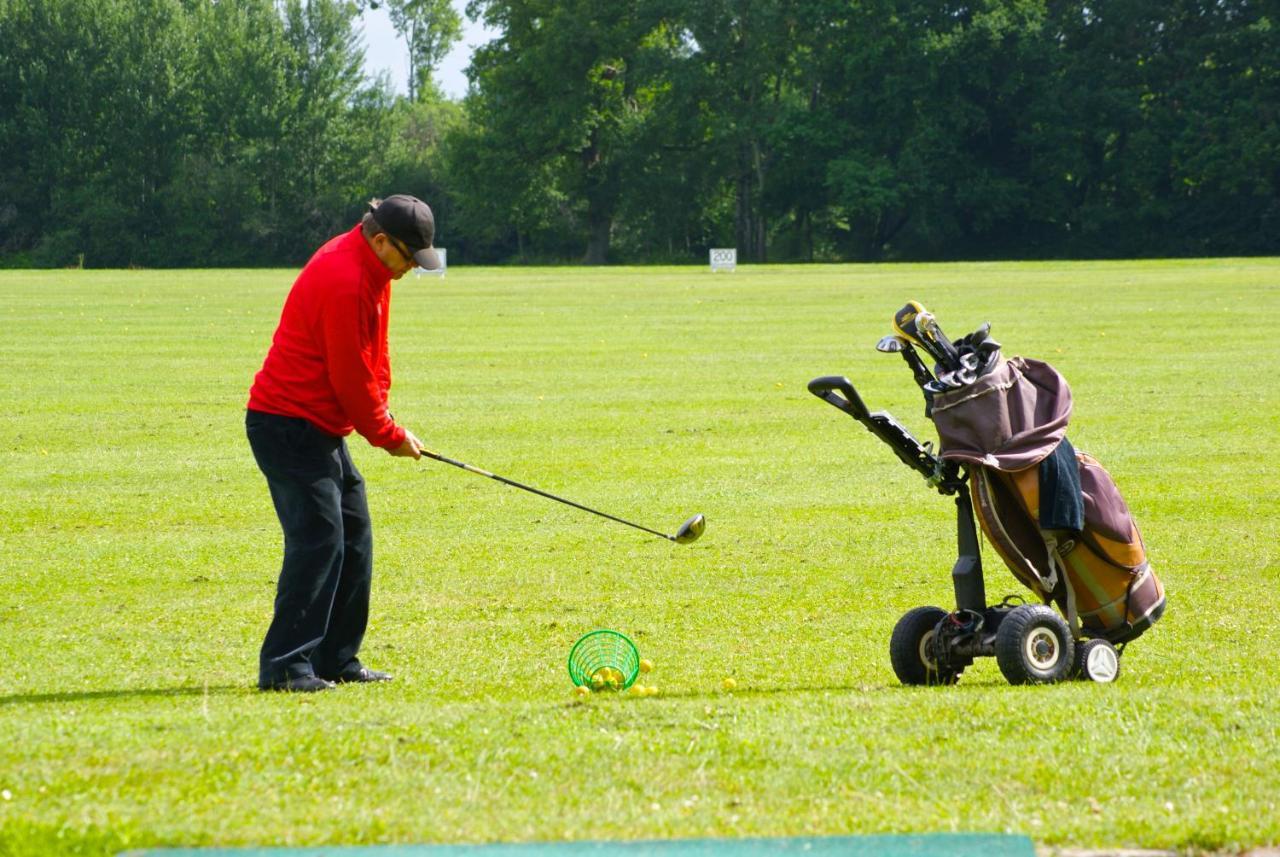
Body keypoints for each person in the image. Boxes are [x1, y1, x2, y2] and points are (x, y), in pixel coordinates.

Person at [244, 194, 438, 692]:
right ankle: (285, 666)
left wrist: (386, 409)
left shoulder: (375, 268)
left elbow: (376, 350)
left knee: (355, 537)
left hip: (320, 427)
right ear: (381, 240)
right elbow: (349, 376)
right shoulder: (345, 277)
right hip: (286, 425)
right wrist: (387, 435)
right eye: (409, 258)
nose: (411, 269)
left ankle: (335, 658)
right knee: (319, 542)